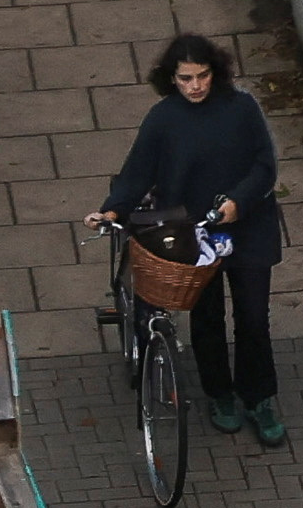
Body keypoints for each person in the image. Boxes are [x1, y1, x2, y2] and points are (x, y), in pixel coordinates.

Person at [106, 26, 293, 445]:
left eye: (203, 76)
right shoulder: (162, 119)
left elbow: (265, 165)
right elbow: (138, 171)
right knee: (206, 318)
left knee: (253, 318)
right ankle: (220, 394)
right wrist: (113, 207)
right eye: (186, 78)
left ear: (216, 72)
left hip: (248, 229)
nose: (195, 86)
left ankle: (259, 398)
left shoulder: (242, 108)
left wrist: (238, 203)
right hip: (193, 235)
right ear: (171, 78)